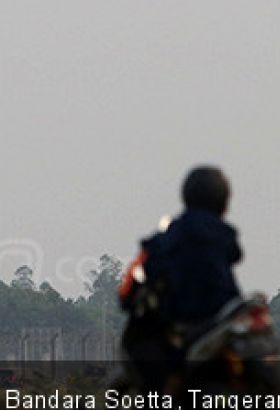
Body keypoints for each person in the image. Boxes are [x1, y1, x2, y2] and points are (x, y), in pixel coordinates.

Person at [118, 166, 242, 392]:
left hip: (186, 324)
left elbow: (150, 259)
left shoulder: (174, 233)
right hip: (225, 319)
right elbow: (236, 253)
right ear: (224, 200)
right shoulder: (224, 232)